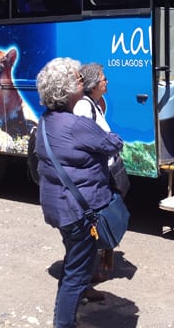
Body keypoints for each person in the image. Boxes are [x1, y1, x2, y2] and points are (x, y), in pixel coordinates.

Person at [35, 57, 124, 328]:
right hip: (79, 210)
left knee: (74, 262)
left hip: (58, 207)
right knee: (76, 271)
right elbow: (113, 144)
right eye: (77, 78)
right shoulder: (75, 125)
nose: (82, 82)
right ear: (66, 88)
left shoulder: (46, 121)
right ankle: (64, 323)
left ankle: (66, 313)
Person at [73, 63, 115, 283]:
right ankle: (87, 274)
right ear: (93, 84)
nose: (106, 81)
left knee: (104, 217)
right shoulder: (83, 107)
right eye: (103, 78)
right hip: (93, 176)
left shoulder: (95, 105)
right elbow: (84, 141)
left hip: (102, 173)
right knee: (94, 222)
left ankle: (97, 264)